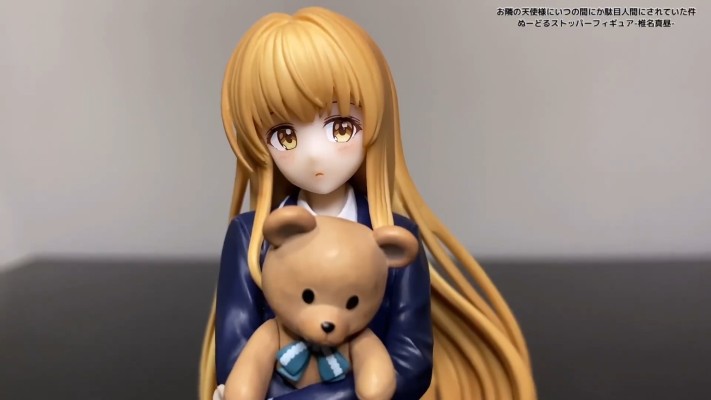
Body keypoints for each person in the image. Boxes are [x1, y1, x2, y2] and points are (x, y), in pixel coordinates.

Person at [199, 6, 536, 400]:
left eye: (340, 127)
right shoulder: (251, 235)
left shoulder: (393, 236)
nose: (314, 154)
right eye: (286, 136)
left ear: (375, 123)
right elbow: (235, 360)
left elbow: (410, 363)